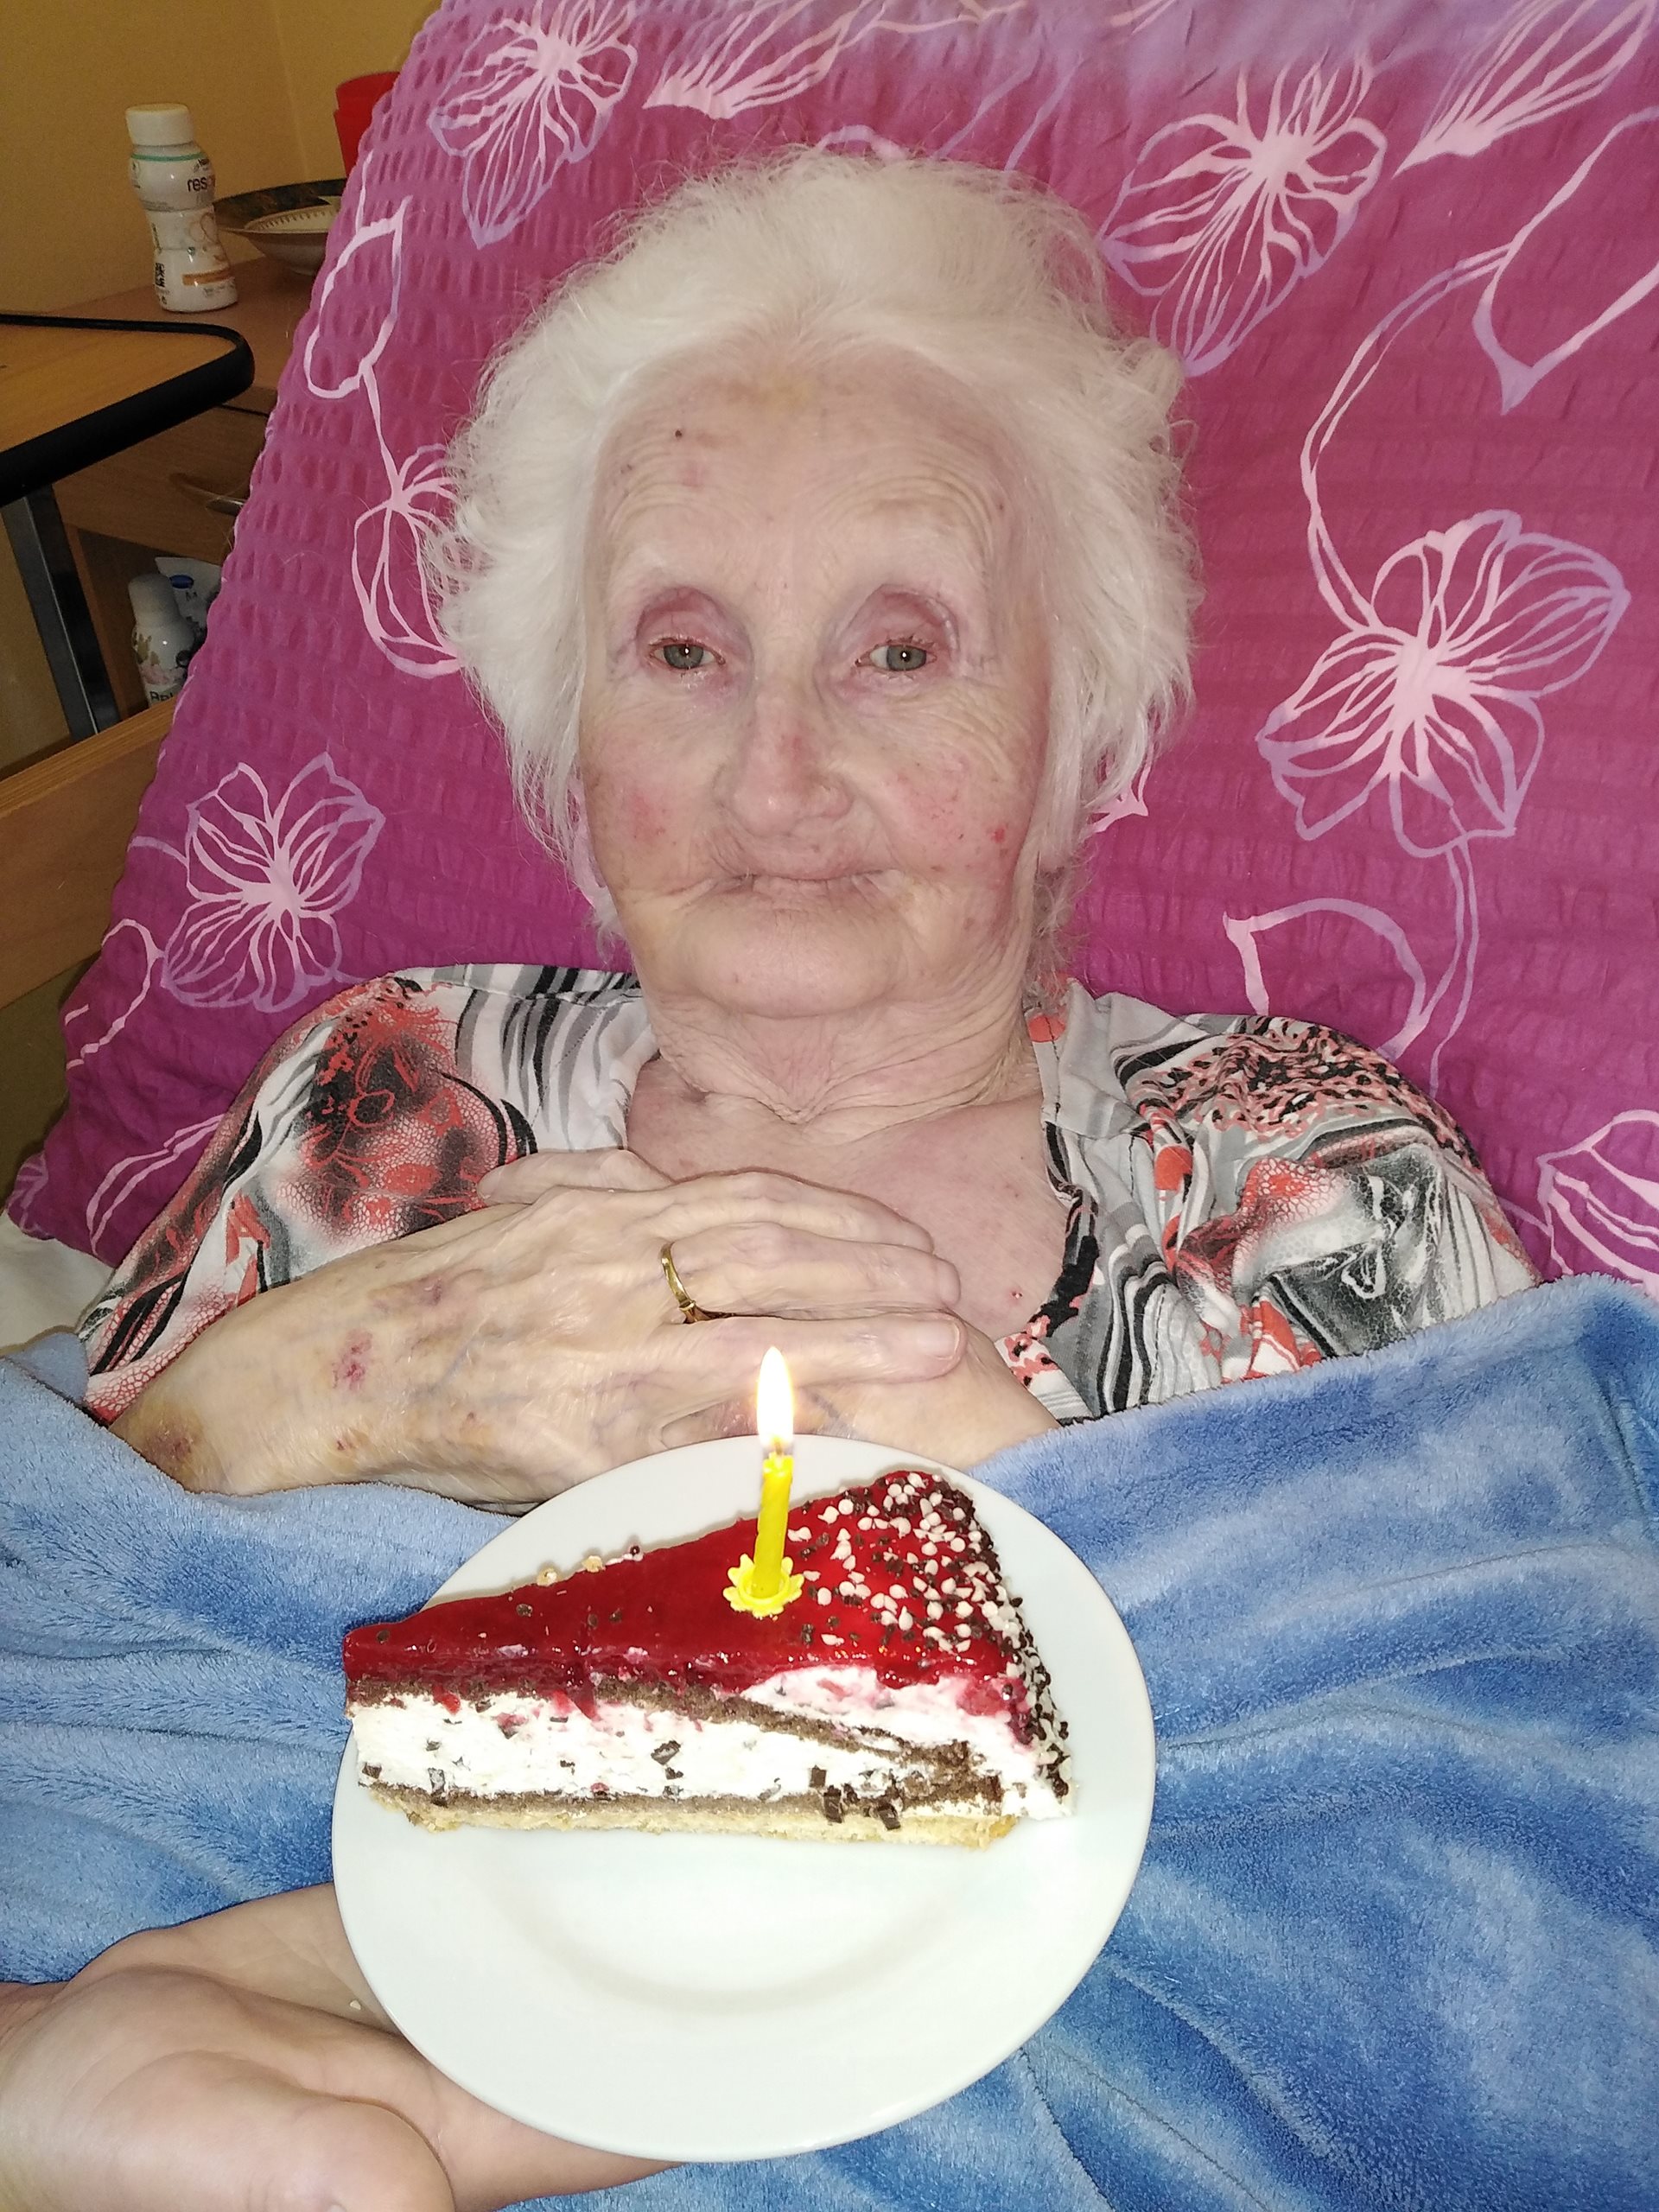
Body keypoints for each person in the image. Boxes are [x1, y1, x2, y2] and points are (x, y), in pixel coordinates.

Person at [1, 150, 1537, 2204]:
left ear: (1078, 740)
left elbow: (1494, 1818)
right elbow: (63, 1603)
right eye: (682, 651)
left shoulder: (1295, 1175)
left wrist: (1005, 1514)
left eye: (899, 649)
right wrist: (324, 1380)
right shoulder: (388, 1084)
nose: (779, 773)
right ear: (569, 741)